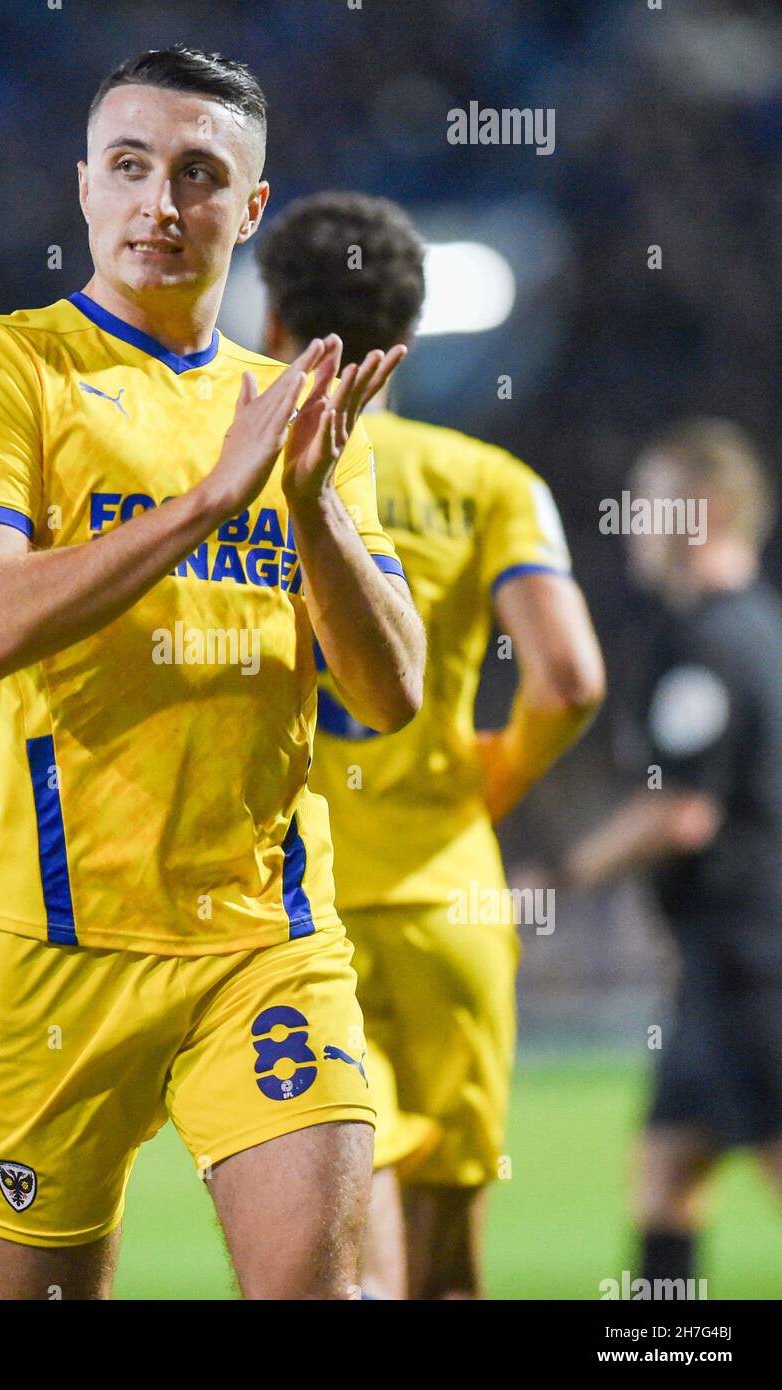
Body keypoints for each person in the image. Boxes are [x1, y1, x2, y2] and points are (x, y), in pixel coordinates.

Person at [0, 51, 425, 1299]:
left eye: (199, 176)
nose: (159, 204)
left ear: (249, 210)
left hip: (265, 935)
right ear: (83, 187)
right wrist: (208, 502)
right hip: (50, 946)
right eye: (131, 168)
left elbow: (390, 689)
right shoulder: (2, 366)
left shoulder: (298, 407)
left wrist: (309, 508)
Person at [258, 191, 606, 1298]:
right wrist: (494, 773)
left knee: (336, 1236)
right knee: (450, 1258)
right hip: (451, 897)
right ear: (408, 339)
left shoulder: (233, 487)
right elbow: (571, 677)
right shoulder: (493, 484)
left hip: (292, 910)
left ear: (274, 328)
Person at [557, 419, 782, 1290]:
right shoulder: (761, 627)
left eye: (650, 503)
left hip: (750, 964)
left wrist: (564, 874)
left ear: (706, 513)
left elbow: (682, 811)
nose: (634, 520)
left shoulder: (711, 643)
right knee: (666, 1172)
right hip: (722, 964)